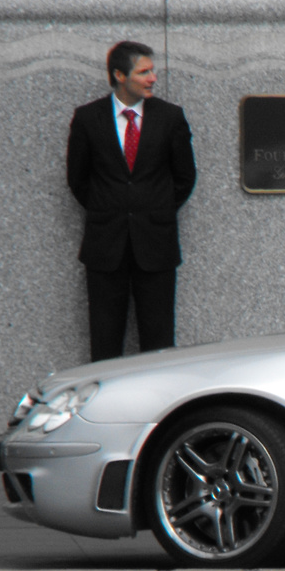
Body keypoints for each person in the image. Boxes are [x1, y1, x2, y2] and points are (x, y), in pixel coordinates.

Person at [66, 41, 197, 362]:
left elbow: (185, 178)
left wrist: (155, 211)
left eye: (153, 70)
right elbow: (78, 180)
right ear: (119, 75)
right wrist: (110, 210)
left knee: (159, 342)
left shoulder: (170, 117)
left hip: (156, 246)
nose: (153, 78)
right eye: (144, 72)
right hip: (105, 248)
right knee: (105, 341)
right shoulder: (87, 119)